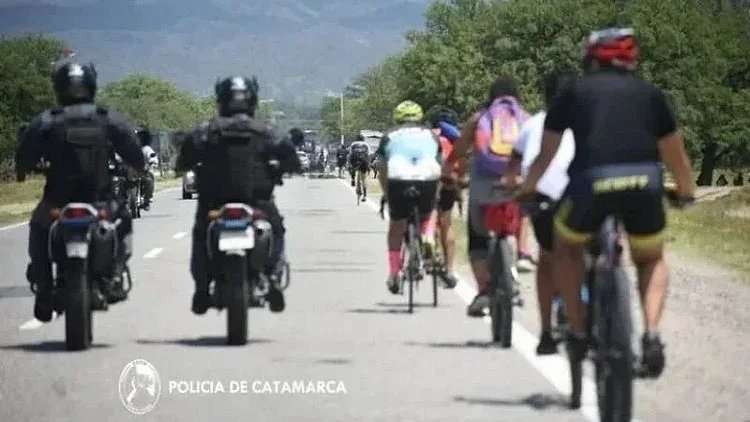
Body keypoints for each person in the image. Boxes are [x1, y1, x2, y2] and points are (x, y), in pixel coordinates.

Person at [517, 28, 696, 377]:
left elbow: (543, 157)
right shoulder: (651, 95)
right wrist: (686, 193)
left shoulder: (573, 92)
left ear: (591, 59)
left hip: (590, 184)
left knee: (566, 249)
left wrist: (527, 190)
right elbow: (678, 159)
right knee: (650, 258)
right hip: (644, 183)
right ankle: (652, 335)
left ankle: (580, 332)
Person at [16, 62, 145, 322]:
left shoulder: (48, 120)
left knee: (39, 228)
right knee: (125, 221)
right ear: (91, 85)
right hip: (101, 202)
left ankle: (43, 289)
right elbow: (132, 149)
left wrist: (22, 170)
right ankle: (117, 274)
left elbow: (26, 152)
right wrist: (139, 166)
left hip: (57, 202)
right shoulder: (106, 118)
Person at [176, 76, 301, 315]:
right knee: (277, 229)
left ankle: (202, 288)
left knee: (201, 234)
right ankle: (274, 278)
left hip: (213, 204)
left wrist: (186, 165)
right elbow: (291, 158)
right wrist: (283, 169)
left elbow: (184, 160)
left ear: (221, 99)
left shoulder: (206, 131)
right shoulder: (265, 132)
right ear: (252, 99)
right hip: (258, 203)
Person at [443, 76, 530, 317]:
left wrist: (449, 169)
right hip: (516, 181)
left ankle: (483, 291)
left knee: (478, 238)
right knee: (521, 216)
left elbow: (459, 150)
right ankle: (521, 255)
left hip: (484, 184)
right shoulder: (525, 118)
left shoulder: (480, 118)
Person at [506, 71, 576, 355]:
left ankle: (546, 332)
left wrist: (515, 188)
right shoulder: (591, 119)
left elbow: (514, 163)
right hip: (588, 195)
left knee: (548, 257)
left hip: (544, 196)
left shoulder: (533, 124)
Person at [376, 100, 442, 294]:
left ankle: (394, 272)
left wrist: (387, 193)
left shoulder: (388, 136)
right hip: (427, 177)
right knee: (430, 211)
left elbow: (382, 170)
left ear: (398, 118)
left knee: (396, 225)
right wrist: (436, 193)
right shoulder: (431, 135)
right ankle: (428, 236)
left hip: (398, 179)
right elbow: (439, 166)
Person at [430, 107, 462, 288]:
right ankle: (449, 269)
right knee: (446, 223)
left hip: (428, 180)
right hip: (448, 180)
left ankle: (431, 252)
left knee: (429, 217)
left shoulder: (428, 136)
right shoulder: (455, 138)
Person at [136, 127, 158, 210]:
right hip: (131, 172)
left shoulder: (147, 149)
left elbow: (153, 157)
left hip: (144, 172)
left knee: (149, 179)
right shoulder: (130, 148)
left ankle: (147, 199)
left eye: (140, 137)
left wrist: (150, 163)